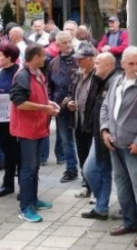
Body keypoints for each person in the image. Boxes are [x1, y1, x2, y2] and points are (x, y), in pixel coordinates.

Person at [99, 46, 137, 247]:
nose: (135, 67)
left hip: (134, 146)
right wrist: (105, 130)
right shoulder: (116, 80)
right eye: (131, 63)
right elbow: (106, 106)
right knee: (123, 186)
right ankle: (130, 222)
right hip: (115, 143)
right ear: (122, 64)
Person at [11, 44, 58, 223]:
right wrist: (45, 108)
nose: (45, 58)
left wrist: (49, 103)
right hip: (27, 129)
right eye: (43, 56)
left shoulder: (38, 74)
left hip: (38, 127)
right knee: (28, 169)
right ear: (35, 57)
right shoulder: (23, 75)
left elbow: (36, 97)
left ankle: (33, 199)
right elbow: (19, 102)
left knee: (34, 167)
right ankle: (25, 207)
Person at [80, 52, 118, 220]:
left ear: (108, 66)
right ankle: (101, 206)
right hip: (98, 133)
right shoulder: (99, 80)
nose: (94, 66)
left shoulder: (113, 82)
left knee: (92, 170)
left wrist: (105, 131)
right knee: (98, 171)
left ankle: (103, 205)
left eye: (97, 63)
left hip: (106, 136)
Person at [47, 31, 79, 183]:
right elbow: (50, 85)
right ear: (57, 45)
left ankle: (86, 172)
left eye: (69, 42)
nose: (67, 45)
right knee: (66, 140)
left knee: (81, 139)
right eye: (64, 43)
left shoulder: (79, 60)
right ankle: (71, 169)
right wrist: (50, 102)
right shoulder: (54, 62)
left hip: (77, 106)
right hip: (60, 107)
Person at [0, 43, 21, 198]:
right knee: (8, 153)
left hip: (16, 120)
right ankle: (8, 184)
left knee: (19, 154)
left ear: (9, 58)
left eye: (1, 55)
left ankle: (24, 186)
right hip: (1, 121)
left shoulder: (19, 73)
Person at [66, 44, 97, 197]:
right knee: (82, 156)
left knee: (94, 160)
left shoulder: (98, 77)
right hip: (78, 123)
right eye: (77, 59)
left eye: (81, 59)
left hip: (91, 124)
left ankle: (95, 189)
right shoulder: (76, 74)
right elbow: (68, 94)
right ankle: (87, 185)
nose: (78, 62)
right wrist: (68, 103)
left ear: (91, 60)